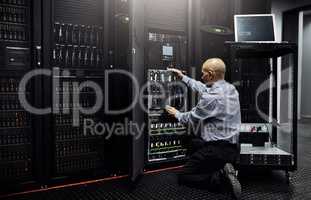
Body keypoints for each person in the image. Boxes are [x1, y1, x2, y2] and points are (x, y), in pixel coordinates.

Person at [166, 58, 241, 200]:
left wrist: (176, 114)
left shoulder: (211, 98)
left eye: (203, 74)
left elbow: (191, 118)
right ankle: (223, 166)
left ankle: (219, 178)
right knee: (193, 141)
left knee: (184, 176)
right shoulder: (230, 89)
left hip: (218, 149)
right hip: (233, 148)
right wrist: (183, 78)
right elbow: (204, 88)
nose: (201, 76)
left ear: (211, 74)